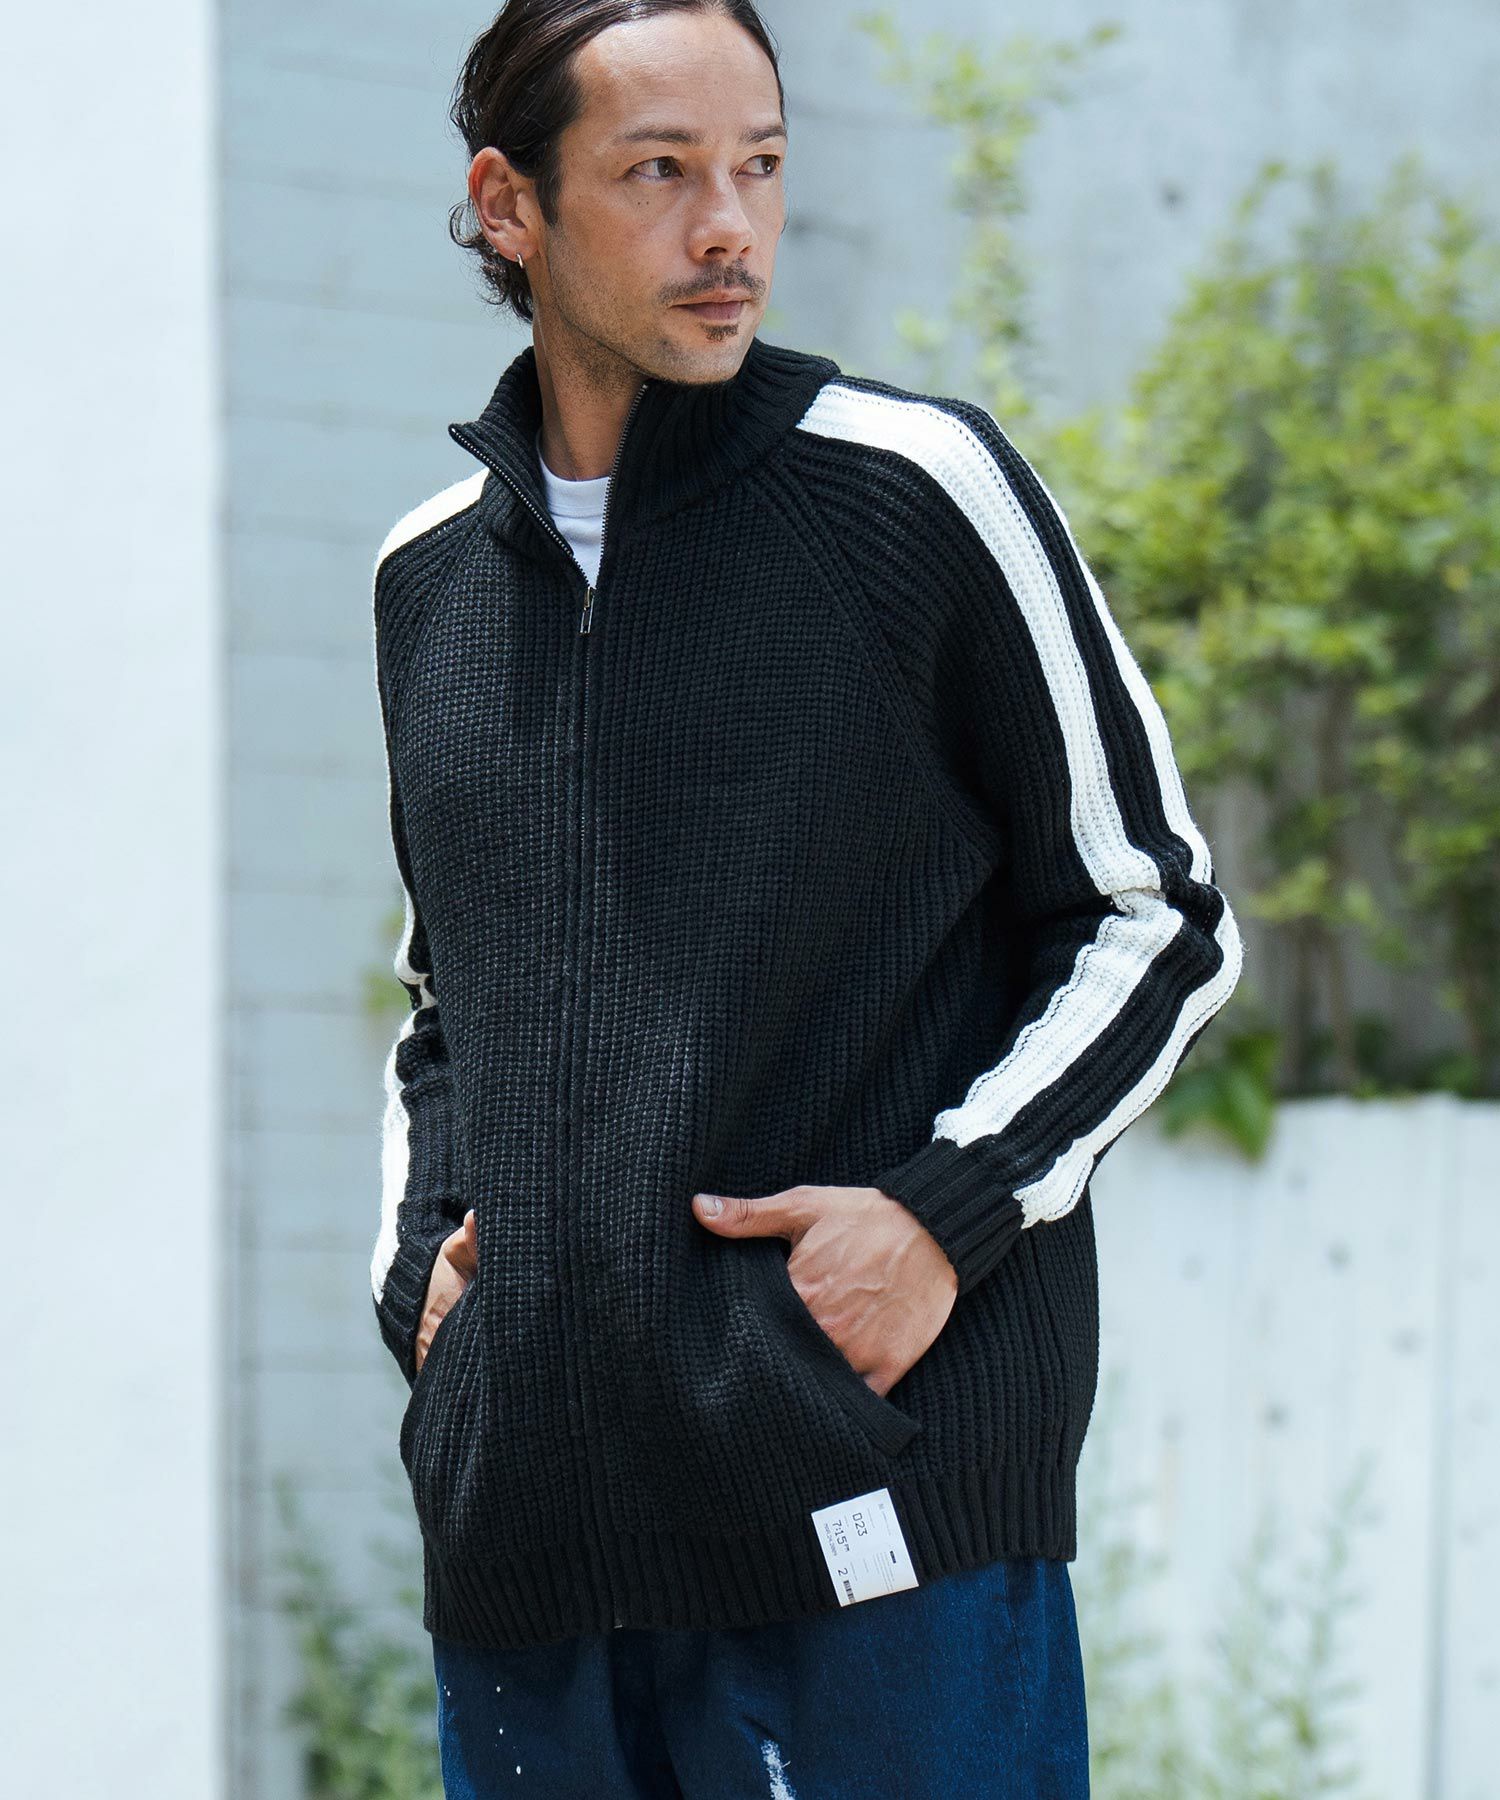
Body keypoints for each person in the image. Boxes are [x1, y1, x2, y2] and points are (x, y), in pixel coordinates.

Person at [366, 2, 1244, 1794]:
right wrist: (423, 1286)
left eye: (759, 167)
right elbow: (446, 1003)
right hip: (535, 1541)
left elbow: (1152, 914)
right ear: (508, 203)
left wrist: (945, 1211)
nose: (730, 230)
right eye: (659, 172)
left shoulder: (916, 494)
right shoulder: (428, 580)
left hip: (879, 1519)